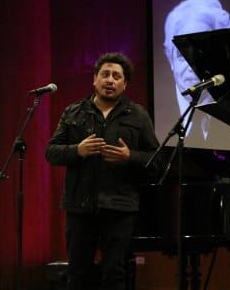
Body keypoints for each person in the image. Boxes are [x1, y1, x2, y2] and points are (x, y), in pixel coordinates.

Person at [45, 52, 161, 290]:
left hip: (120, 206)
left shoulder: (138, 115)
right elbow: (51, 152)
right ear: (94, 79)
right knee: (78, 273)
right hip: (80, 205)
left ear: (125, 84)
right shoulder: (74, 112)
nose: (110, 80)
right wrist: (77, 150)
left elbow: (157, 160)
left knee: (114, 273)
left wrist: (130, 157)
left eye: (116, 76)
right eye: (105, 74)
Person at [163, 0, 230, 143]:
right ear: (170, 60)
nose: (191, 65)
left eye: (201, 53)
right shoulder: (160, 113)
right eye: (182, 55)